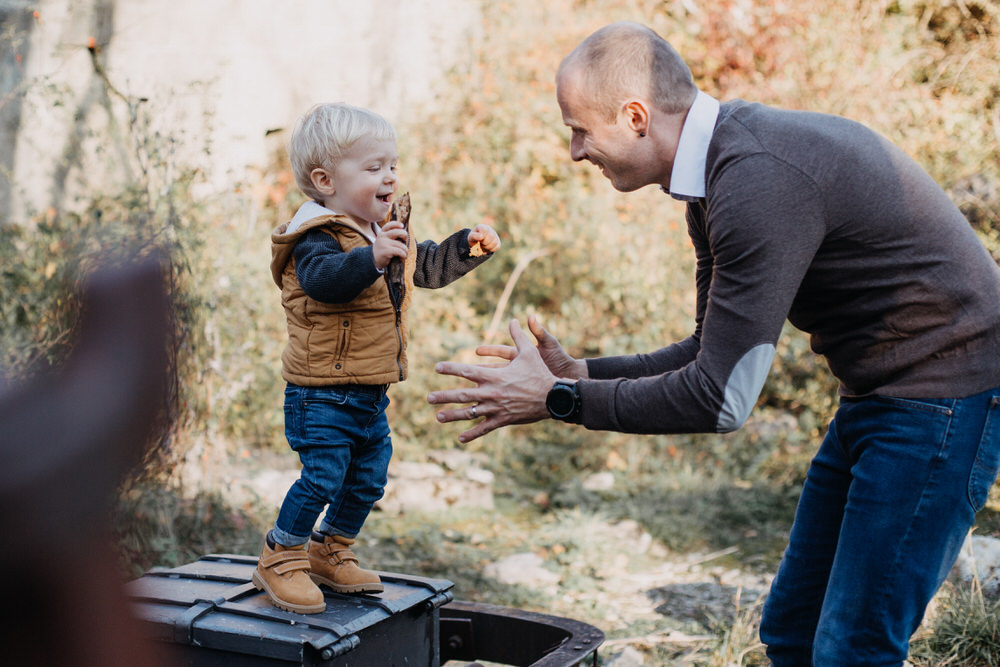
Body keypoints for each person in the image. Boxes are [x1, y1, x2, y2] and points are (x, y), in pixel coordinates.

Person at [427, 21, 1000, 665]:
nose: (574, 152)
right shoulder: (718, 174)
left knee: (852, 648)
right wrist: (580, 373)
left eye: (580, 129)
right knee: (793, 631)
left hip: (946, 395)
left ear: (636, 116)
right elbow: (711, 350)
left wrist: (561, 401)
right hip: (884, 394)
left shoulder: (754, 180)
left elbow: (721, 400)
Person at [258, 102, 500, 615]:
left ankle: (330, 550)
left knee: (368, 477)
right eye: (373, 168)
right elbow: (327, 283)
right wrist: (371, 258)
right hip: (319, 391)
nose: (389, 176)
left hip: (369, 392)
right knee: (323, 475)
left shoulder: (381, 228)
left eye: (392, 165)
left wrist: (468, 247)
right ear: (325, 180)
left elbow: (426, 267)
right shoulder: (314, 237)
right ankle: (280, 555)